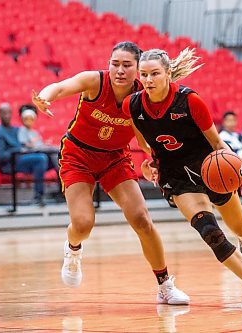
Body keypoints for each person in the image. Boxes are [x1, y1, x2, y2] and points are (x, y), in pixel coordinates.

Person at [31, 41, 189, 305]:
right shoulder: (95, 82)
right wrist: (45, 97)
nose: (120, 70)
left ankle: (164, 285)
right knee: (83, 224)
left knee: (141, 218)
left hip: (115, 158)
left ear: (138, 69)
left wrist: (154, 159)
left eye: (127, 65)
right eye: (115, 64)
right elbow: (61, 86)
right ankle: (73, 250)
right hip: (78, 155)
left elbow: (143, 137)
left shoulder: (142, 96)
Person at [123, 48, 242, 312]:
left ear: (168, 73)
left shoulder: (190, 101)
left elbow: (217, 142)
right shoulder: (132, 105)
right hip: (177, 177)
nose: (148, 79)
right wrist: (149, 165)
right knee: (210, 232)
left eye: (155, 73)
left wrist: (237, 170)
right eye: (144, 74)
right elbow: (146, 146)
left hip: (210, 169)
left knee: (237, 225)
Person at [0, 102, 52, 206]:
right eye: (4, 113)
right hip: (10, 163)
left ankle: (61, 192)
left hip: (21, 158)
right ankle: (38, 195)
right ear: (0, 114)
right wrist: (17, 151)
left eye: (9, 113)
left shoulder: (16, 130)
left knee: (53, 157)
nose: (7, 116)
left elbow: (26, 142)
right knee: (41, 159)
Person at [17, 104, 59, 171]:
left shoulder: (35, 132)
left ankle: (61, 173)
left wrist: (45, 145)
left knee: (56, 152)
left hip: (39, 150)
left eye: (31, 119)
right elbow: (24, 144)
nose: (29, 121)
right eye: (26, 119)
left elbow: (40, 144)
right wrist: (32, 143)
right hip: (29, 153)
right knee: (53, 153)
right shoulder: (21, 130)